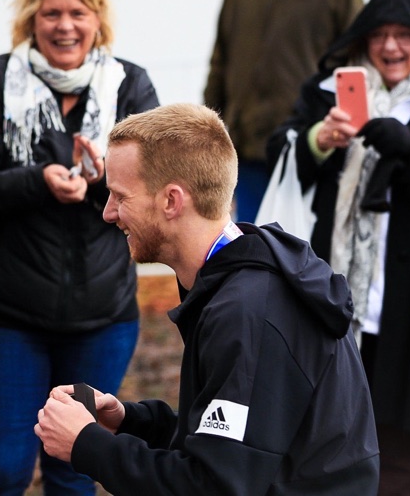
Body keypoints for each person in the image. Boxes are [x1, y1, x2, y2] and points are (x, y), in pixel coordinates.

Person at [35, 103, 380, 495]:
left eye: (119, 196)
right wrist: (131, 421)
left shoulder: (248, 311)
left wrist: (88, 446)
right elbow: (241, 439)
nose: (109, 213)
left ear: (171, 201)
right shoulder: (237, 280)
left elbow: (214, 484)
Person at [0, 0, 158, 494]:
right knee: (4, 466)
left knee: (75, 469)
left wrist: (102, 178)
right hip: (3, 314)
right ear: (32, 21)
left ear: (97, 20)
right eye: (52, 13)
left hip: (101, 318)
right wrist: (38, 180)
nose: (65, 25)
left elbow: (156, 184)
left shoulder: (130, 85)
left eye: (78, 13)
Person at [267, 0, 410, 496]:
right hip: (334, 302)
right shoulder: (329, 91)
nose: (391, 46)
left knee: (403, 459)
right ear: (365, 36)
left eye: (407, 35)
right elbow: (279, 148)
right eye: (381, 34)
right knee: (324, 446)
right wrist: (319, 140)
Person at [203, 0, 362, 222]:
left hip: (309, 147)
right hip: (246, 150)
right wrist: (211, 129)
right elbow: (220, 60)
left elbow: (357, 55)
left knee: (302, 253)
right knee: (251, 248)